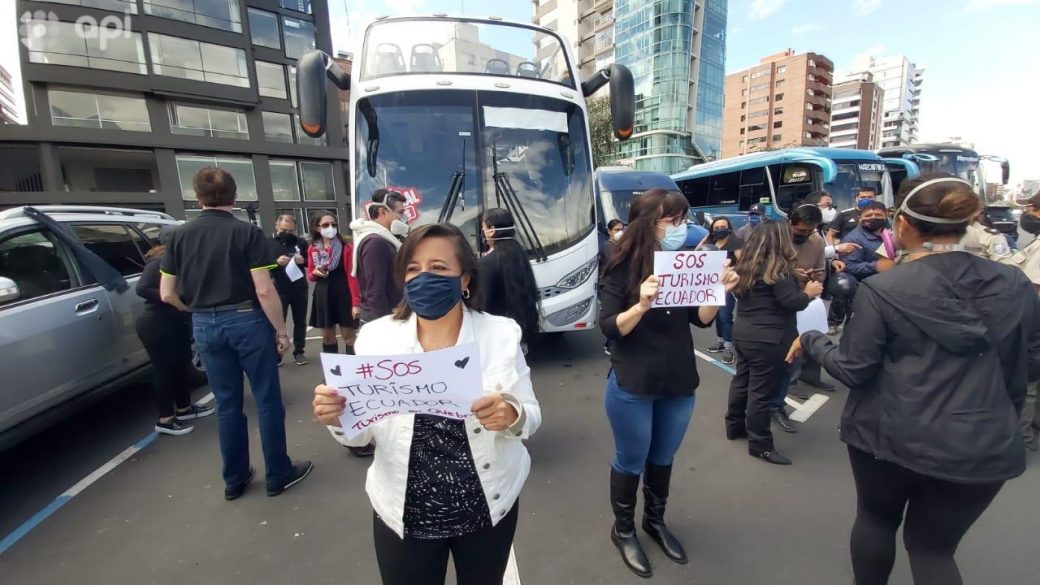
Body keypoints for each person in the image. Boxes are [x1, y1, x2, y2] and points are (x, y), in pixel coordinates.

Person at [788, 176, 1040, 585]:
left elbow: (852, 367)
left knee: (875, 519)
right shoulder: (1015, 284)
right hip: (984, 443)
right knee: (934, 550)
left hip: (891, 437)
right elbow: (1029, 365)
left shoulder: (884, 288)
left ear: (902, 225)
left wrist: (812, 339)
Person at [312, 223, 541, 585]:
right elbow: (359, 437)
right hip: (404, 514)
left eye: (438, 268)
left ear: (464, 277)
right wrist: (338, 417)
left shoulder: (500, 333)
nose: (423, 278)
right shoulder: (376, 338)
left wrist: (511, 414)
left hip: (487, 507)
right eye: (413, 269)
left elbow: (530, 415)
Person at [599, 188, 735, 578]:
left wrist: (719, 292)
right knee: (631, 459)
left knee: (663, 458)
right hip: (633, 383)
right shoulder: (620, 268)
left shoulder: (685, 263)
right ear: (649, 223)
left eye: (682, 220)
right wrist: (640, 305)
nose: (681, 228)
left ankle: (654, 521)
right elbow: (609, 327)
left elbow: (702, 319)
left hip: (678, 381)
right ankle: (623, 529)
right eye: (673, 221)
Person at [160, 167, 311, 501]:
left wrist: (196, 312)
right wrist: (281, 331)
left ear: (196, 197)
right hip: (246, 320)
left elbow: (166, 293)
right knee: (267, 399)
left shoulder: (178, 237)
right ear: (235, 195)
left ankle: (235, 478)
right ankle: (278, 473)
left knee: (227, 404)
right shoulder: (247, 234)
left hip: (204, 324)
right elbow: (264, 290)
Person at [724, 221, 823, 465]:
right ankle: (760, 444)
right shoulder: (780, 269)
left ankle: (734, 425)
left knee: (742, 379)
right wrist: (809, 293)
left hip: (744, 331)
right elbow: (791, 302)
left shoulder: (746, 266)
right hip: (770, 337)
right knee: (761, 392)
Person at [136, 228, 214, 435]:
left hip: (176, 322)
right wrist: (177, 302)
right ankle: (165, 419)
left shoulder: (181, 260)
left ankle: (184, 408)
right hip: (157, 323)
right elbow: (142, 289)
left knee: (182, 364)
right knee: (164, 370)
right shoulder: (159, 262)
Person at [769, 205, 830, 433]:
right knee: (770, 362)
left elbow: (821, 271)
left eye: (810, 231)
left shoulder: (816, 242)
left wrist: (813, 276)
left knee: (791, 358)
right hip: (776, 308)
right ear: (790, 223)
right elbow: (767, 272)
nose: (804, 235)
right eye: (801, 230)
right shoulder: (774, 239)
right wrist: (793, 274)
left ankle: (777, 404)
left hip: (805, 304)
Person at [479, 208, 540, 350]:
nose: (483, 233)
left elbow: (484, 304)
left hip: (497, 336)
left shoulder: (487, 262)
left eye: (483, 228)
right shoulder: (519, 254)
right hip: (519, 333)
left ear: (491, 230)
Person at [827, 201, 887, 334]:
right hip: (864, 286)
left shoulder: (889, 233)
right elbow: (849, 267)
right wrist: (876, 266)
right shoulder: (854, 239)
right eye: (868, 215)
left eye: (878, 215)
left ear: (886, 216)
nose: (873, 218)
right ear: (860, 219)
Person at [350, 189, 408, 325]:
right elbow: (375, 292)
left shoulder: (384, 239)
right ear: (382, 211)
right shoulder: (376, 243)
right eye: (400, 213)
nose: (403, 218)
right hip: (380, 318)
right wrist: (384, 324)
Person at [307, 211, 361, 355]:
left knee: (349, 337)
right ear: (317, 228)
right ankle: (333, 373)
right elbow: (311, 275)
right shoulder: (313, 248)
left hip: (344, 296)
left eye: (333, 224)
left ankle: (355, 371)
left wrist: (356, 303)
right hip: (323, 296)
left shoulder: (346, 248)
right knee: (327, 337)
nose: (330, 227)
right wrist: (314, 273)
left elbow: (352, 276)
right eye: (325, 225)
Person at [1011, 191, 1040, 450]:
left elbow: (1034, 288)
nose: (1028, 215)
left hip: (1033, 318)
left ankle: (1022, 439)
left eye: (1032, 209)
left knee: (1028, 378)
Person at [269, 215, 310, 366]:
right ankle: (277, 353)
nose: (287, 233)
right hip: (278, 288)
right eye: (283, 230)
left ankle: (299, 351)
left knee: (300, 321)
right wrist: (275, 262)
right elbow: (260, 265)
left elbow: (311, 262)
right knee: (278, 322)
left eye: (290, 230)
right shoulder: (268, 242)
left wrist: (303, 261)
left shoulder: (300, 242)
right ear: (276, 225)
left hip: (299, 287)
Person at [702, 217, 744, 365]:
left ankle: (729, 347)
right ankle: (720, 341)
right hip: (712, 285)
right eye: (717, 227)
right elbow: (696, 254)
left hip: (727, 286)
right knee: (717, 315)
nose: (720, 229)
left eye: (723, 226)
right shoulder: (711, 244)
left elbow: (743, 263)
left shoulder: (736, 244)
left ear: (729, 228)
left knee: (725, 315)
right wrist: (706, 238)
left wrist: (731, 270)